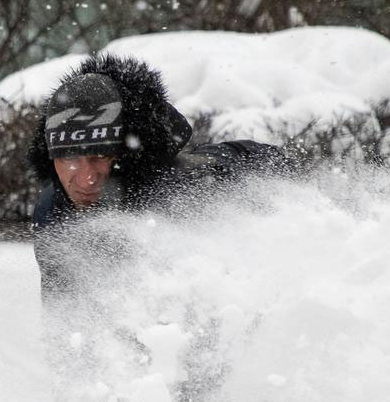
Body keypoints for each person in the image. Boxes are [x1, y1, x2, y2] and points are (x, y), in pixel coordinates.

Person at [29, 54, 286, 291]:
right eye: (70, 158)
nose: (87, 178)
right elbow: (64, 316)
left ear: (126, 155)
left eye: (101, 156)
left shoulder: (189, 194)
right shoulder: (52, 212)